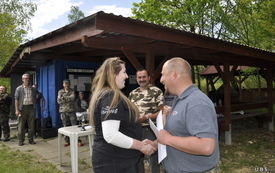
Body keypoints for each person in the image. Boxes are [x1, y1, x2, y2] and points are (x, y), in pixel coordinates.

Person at [89, 57, 156, 173]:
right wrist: (141, 146)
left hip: (120, 159)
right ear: (113, 74)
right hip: (115, 162)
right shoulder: (110, 96)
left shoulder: (108, 94)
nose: (126, 76)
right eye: (124, 72)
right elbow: (111, 135)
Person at [158, 57, 220, 173]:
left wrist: (168, 139)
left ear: (174, 75)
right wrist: (157, 142)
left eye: (163, 75)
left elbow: (206, 146)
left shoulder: (196, 102)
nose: (161, 79)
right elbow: (179, 132)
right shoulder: (180, 99)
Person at [128, 69, 164, 173]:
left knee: (152, 156)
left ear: (149, 78)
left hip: (150, 128)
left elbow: (162, 112)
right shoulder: (132, 93)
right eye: (139, 77)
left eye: (144, 77)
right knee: (137, 155)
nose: (142, 79)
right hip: (136, 129)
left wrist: (147, 117)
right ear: (136, 79)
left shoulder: (156, 91)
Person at [57, 79, 83, 146]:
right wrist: (67, 98)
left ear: (69, 84)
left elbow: (72, 99)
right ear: (63, 85)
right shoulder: (60, 91)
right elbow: (59, 101)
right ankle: (67, 141)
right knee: (66, 126)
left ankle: (78, 140)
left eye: (67, 84)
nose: (66, 85)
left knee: (74, 126)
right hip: (63, 111)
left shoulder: (72, 91)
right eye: (65, 84)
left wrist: (64, 98)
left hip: (71, 110)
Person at [14, 74, 37, 146]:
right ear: (22, 79)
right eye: (26, 78)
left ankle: (31, 139)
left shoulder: (32, 89)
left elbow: (35, 97)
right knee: (21, 125)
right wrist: (17, 110)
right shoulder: (19, 89)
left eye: (28, 78)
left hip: (31, 108)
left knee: (31, 124)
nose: (27, 79)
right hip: (22, 108)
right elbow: (16, 99)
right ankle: (21, 140)